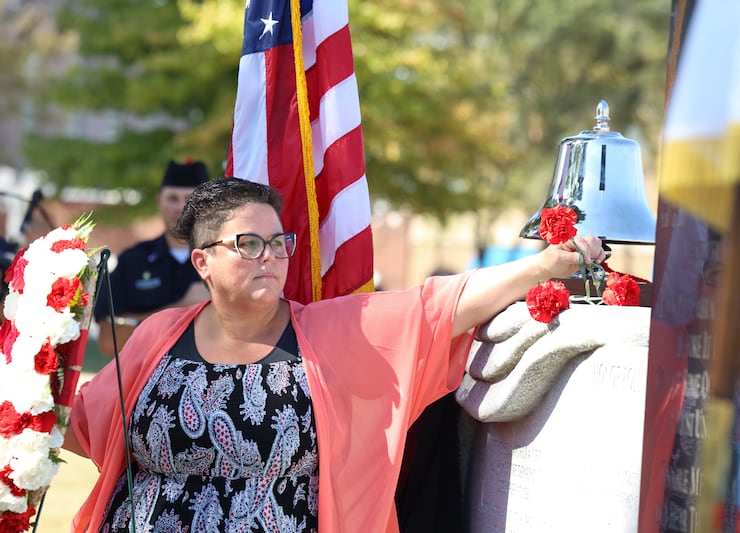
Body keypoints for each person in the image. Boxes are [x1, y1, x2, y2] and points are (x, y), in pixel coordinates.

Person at [64, 177, 606, 532]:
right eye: (248, 244)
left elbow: (441, 305)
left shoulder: (331, 333)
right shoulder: (158, 336)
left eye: (278, 243)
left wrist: (542, 267)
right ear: (203, 262)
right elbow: (85, 423)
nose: (270, 257)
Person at [92, 159, 212, 356]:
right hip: (144, 381)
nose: (181, 207)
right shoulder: (132, 262)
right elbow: (108, 342)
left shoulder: (223, 260)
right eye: (173, 198)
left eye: (190, 199)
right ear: (159, 201)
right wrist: (180, 308)